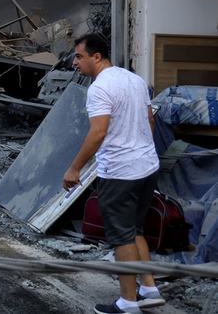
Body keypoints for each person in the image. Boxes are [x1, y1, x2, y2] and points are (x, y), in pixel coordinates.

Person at [62, 33, 166, 314]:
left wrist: (74, 168)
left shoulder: (99, 89)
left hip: (121, 173)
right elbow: (150, 120)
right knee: (135, 230)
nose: (75, 62)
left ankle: (128, 303)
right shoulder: (134, 79)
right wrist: (140, 147)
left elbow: (97, 133)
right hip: (147, 167)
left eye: (79, 57)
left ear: (97, 57)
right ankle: (149, 288)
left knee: (121, 236)